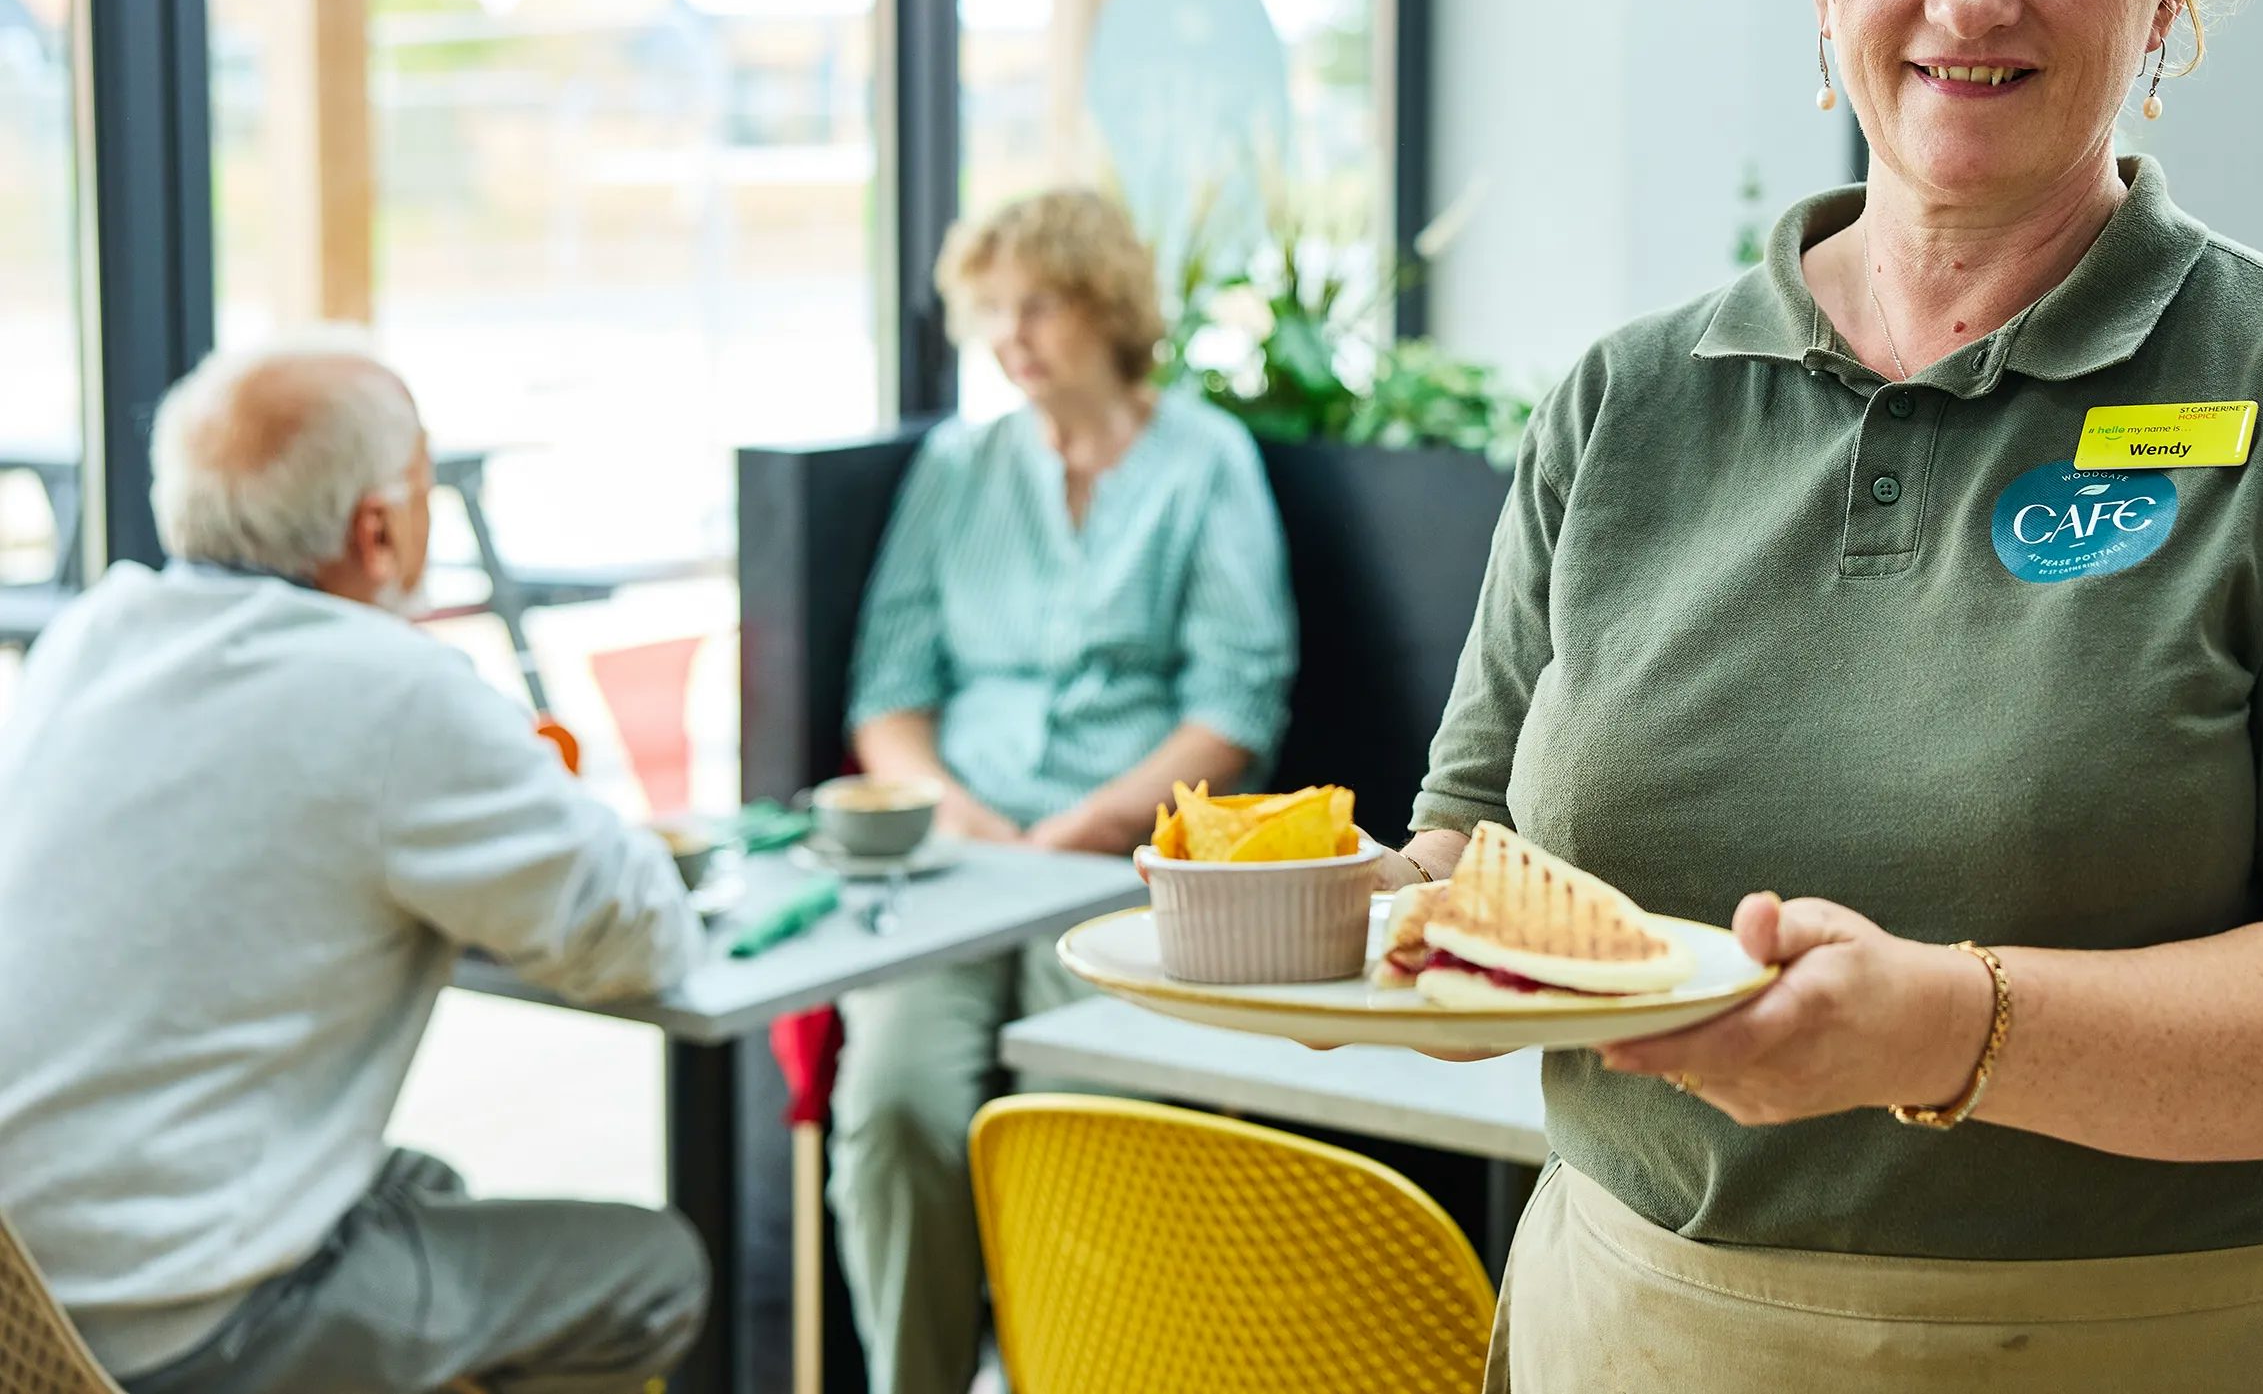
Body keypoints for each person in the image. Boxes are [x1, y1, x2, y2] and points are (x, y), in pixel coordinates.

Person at [1366, 0, 2263, 1393]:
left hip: (2175, 1351)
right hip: (1641, 1334)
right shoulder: (1628, 400)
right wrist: (1321, 915)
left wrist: (1952, 1022)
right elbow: (1466, 874)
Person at [0, 335, 708, 1394]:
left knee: (426, 1188)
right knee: (656, 1269)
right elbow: (636, 938)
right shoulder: (397, 692)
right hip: (180, 1327)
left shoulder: (95, 630)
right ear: (378, 528)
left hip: (27, 1301)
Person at [832, 188, 1298, 1394]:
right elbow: (886, 694)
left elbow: (1234, 712)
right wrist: (953, 811)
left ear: (1103, 304)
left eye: (1033, 304)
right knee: (891, 1111)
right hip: (961, 860)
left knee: (1083, 1113)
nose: (1009, 337)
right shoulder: (958, 464)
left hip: (1118, 869)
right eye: (989, 312)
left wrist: (1081, 828)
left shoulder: (1206, 460)